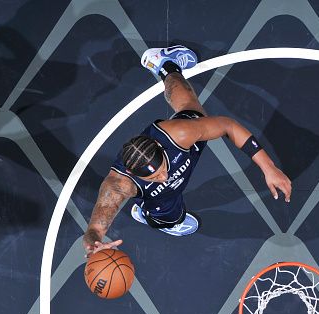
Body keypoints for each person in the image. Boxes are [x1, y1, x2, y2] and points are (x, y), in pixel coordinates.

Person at [83, 45, 292, 257]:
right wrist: (95, 244)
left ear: (159, 147)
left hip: (183, 148)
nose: (164, 176)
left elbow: (228, 126)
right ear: (132, 174)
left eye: (162, 169)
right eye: (155, 177)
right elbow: (94, 230)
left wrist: (269, 167)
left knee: (193, 110)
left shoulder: (179, 134)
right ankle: (149, 215)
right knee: (169, 214)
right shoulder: (119, 186)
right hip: (159, 201)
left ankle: (166, 66)